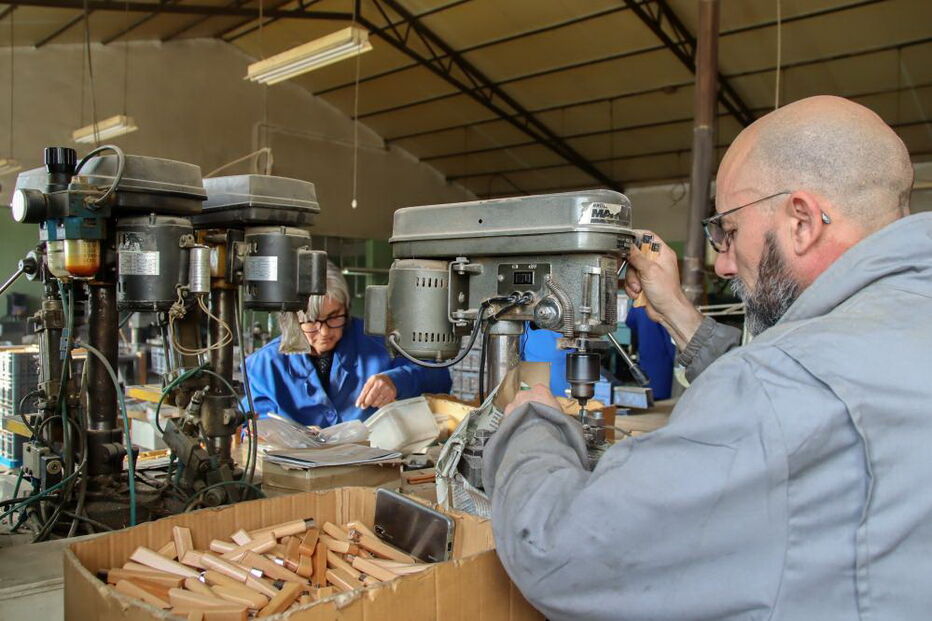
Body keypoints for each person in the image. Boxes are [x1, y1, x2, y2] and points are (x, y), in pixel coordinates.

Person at [481, 96, 932, 620]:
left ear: (803, 222)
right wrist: (675, 309)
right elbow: (799, 402)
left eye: (729, 232)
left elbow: (560, 553)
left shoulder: (784, 385)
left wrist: (532, 426)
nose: (720, 263)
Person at [243, 262, 451, 427]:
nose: (324, 332)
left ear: (346, 308)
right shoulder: (264, 366)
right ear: (292, 320)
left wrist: (397, 381)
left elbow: (439, 376)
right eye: (312, 321)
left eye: (334, 317)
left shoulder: (378, 341)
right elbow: (253, 426)